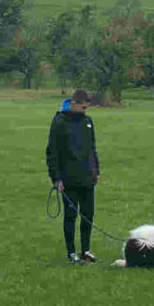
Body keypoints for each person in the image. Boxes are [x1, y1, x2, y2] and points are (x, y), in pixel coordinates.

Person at [46, 88, 100, 264]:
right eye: (83, 107)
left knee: (88, 215)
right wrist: (56, 178)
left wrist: (96, 170)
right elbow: (52, 152)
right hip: (68, 179)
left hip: (87, 178)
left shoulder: (88, 122)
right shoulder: (59, 122)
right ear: (74, 104)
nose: (86, 111)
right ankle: (71, 253)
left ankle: (86, 250)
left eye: (87, 108)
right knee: (70, 216)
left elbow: (92, 149)